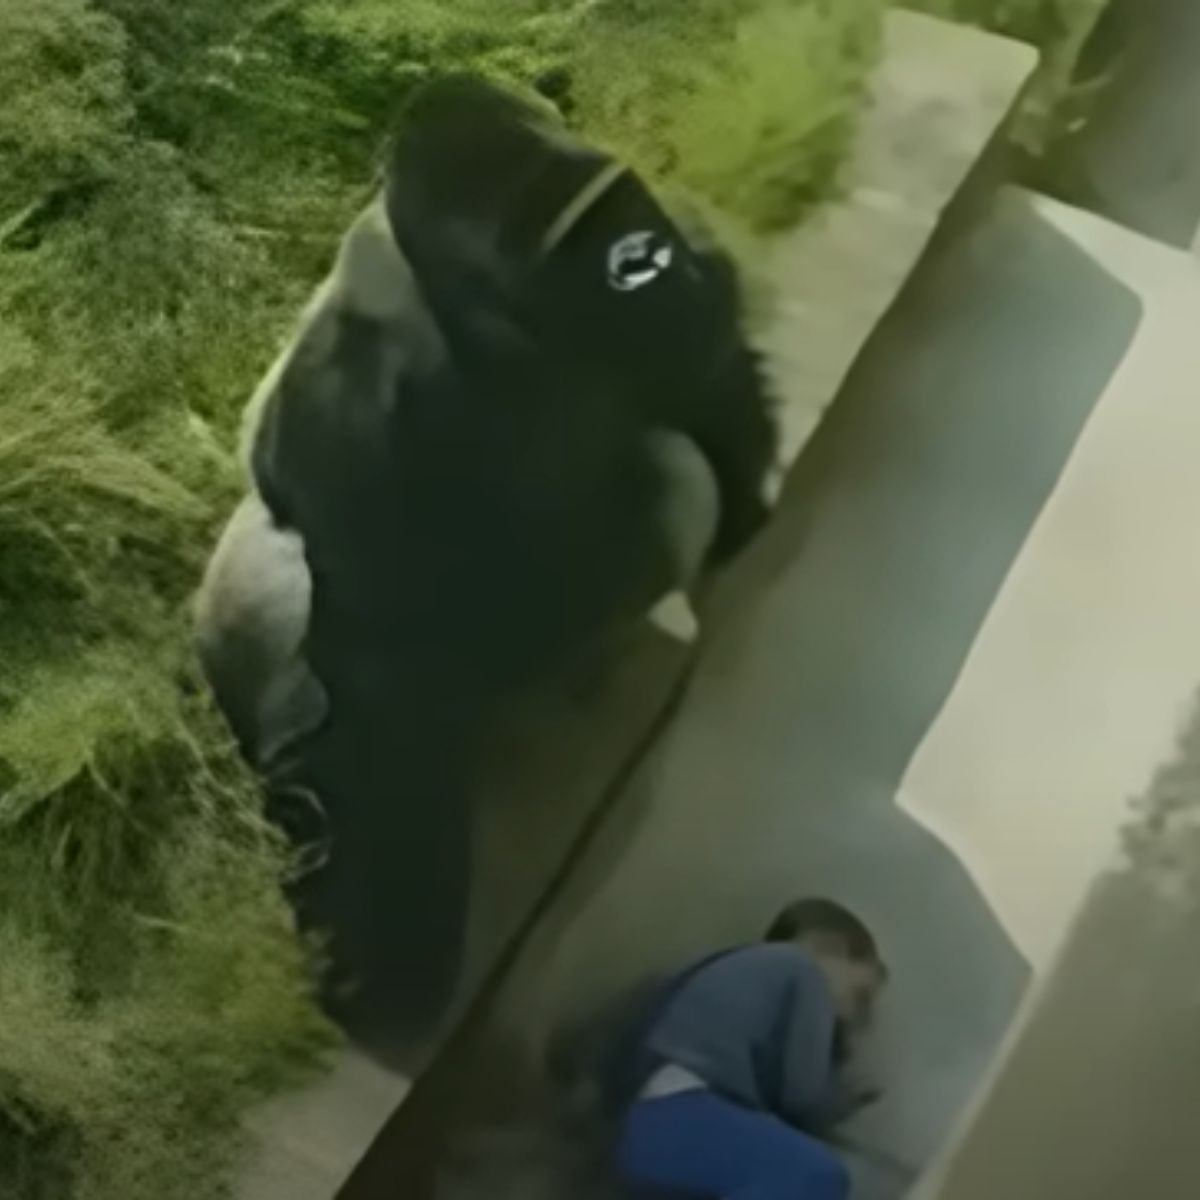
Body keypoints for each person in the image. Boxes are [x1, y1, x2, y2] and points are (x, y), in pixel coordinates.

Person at [613, 898, 889, 1200]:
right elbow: (802, 1096)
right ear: (829, 947)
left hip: (645, 1125)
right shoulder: (805, 970)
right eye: (860, 997)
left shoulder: (726, 964)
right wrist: (849, 1096)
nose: (850, 1018)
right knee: (816, 1175)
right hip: (683, 1111)